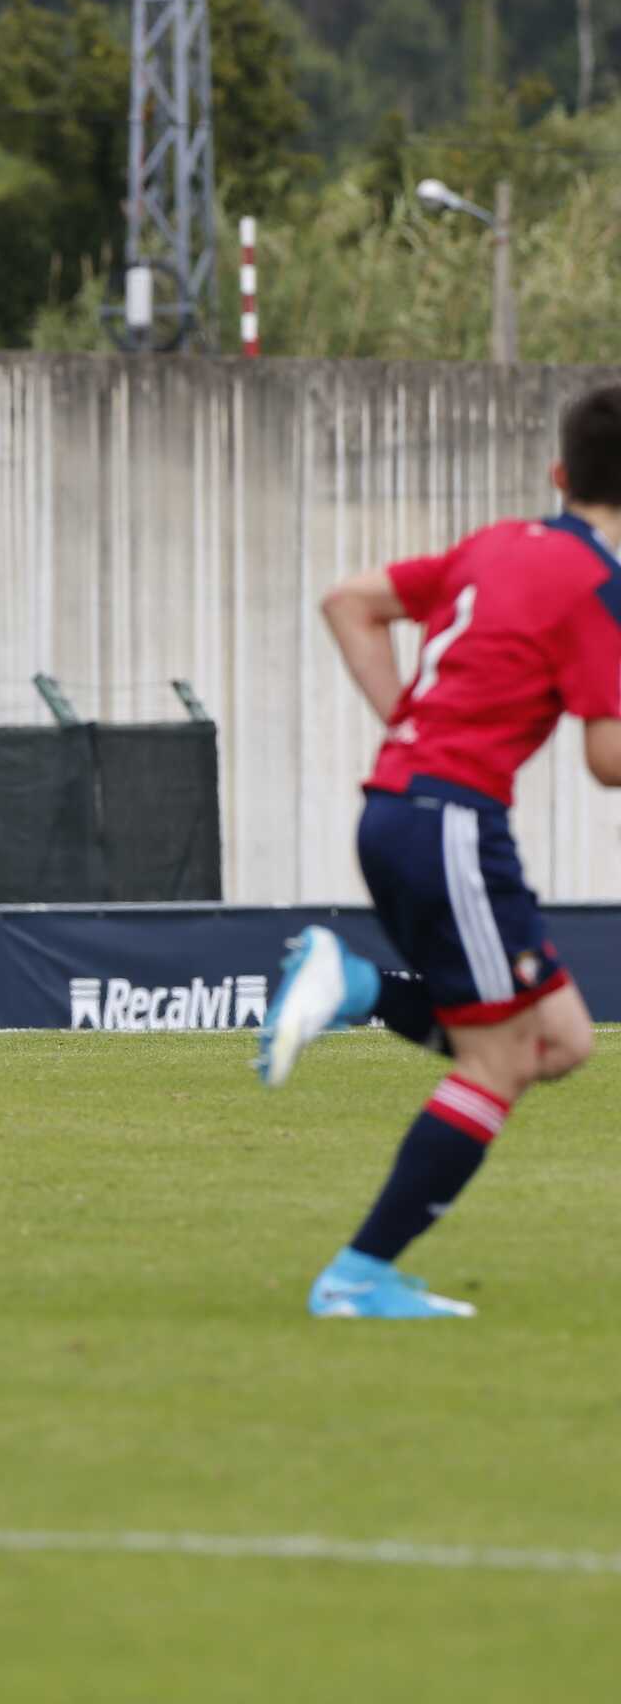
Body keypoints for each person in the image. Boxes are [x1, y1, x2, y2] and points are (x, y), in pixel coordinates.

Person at [254, 389, 621, 1319]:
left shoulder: (495, 544)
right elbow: (608, 758)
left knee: (562, 1041)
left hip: (404, 810)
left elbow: (349, 602)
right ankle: (356, 1277)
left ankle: (361, 989)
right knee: (501, 1061)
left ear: (560, 475)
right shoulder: (598, 587)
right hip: (450, 822)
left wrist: (409, 732)